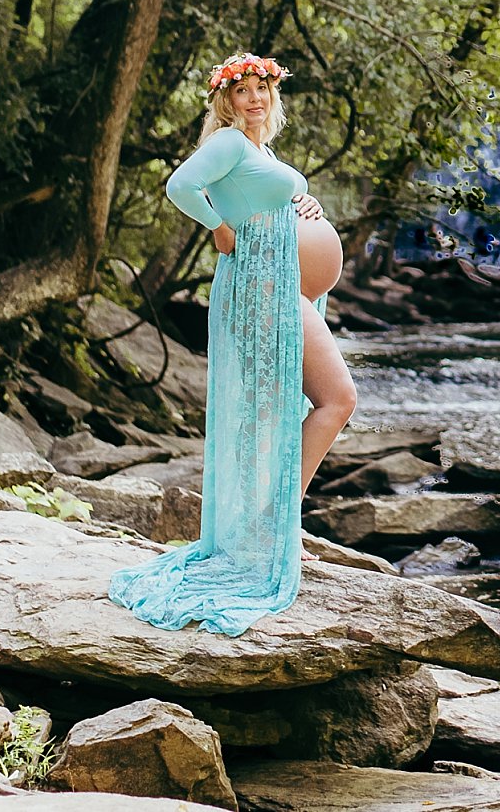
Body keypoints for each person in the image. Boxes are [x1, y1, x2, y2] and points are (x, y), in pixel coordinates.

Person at [107, 53, 357, 635]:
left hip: (278, 284)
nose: (254, 99)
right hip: (262, 289)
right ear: (225, 100)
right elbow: (179, 185)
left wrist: (306, 206)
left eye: (262, 89)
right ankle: (276, 529)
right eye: (242, 90)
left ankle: (271, 530)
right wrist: (218, 226)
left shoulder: (259, 150)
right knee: (337, 399)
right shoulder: (226, 142)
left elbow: (269, 201)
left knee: (279, 410)